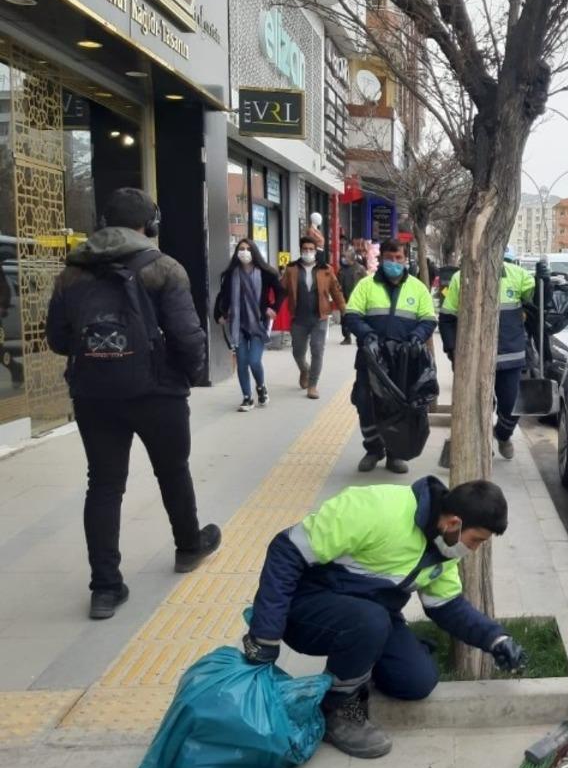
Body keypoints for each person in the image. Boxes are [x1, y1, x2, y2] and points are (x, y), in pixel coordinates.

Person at [242, 477, 527, 759]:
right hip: (306, 608)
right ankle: (338, 709)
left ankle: (361, 659)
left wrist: (495, 639)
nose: (474, 549)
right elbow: (286, 550)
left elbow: (447, 606)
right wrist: (265, 634)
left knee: (417, 681)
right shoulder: (376, 509)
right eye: (476, 540)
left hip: (370, 616)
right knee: (371, 620)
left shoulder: (445, 546)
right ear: (454, 523)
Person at [45, 188, 222, 620]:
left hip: (94, 396)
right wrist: (188, 375)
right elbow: (187, 335)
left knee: (104, 486)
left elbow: (58, 339)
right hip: (159, 393)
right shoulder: (164, 268)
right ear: (150, 225)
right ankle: (187, 546)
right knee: (173, 471)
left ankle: (105, 588)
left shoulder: (71, 273)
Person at [343, 236, 436, 473]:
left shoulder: (418, 288)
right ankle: (373, 448)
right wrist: (367, 335)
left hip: (404, 362)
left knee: (399, 408)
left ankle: (395, 454)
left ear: (406, 259)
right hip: (371, 360)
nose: (394, 262)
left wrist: (416, 336)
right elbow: (352, 315)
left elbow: (428, 319)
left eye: (398, 258)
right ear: (381, 259)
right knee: (365, 402)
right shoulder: (366, 285)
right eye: (389, 258)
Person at [438, 254, 535, 460]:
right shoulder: (461, 278)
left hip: (510, 356)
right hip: (473, 358)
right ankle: (481, 445)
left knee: (511, 404)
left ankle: (502, 434)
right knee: (479, 406)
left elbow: (538, 301)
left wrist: (546, 284)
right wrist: (453, 350)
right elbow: (447, 319)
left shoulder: (518, 275)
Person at [214, 239, 284, 411]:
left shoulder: (267, 272)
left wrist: (273, 308)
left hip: (259, 323)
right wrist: (219, 314)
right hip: (237, 324)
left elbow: (281, 292)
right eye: (241, 249)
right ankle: (247, 398)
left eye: (247, 249)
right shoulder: (231, 274)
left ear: (254, 252)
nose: (244, 252)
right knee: (242, 362)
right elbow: (222, 296)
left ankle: (261, 387)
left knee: (254, 361)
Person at [282, 236, 345, 400]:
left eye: (311, 249)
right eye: (305, 249)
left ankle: (313, 385)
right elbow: (281, 289)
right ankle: (304, 369)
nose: (308, 252)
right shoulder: (291, 269)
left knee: (317, 350)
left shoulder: (326, 270)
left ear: (316, 251)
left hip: (320, 317)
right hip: (299, 318)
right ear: (301, 250)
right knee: (298, 353)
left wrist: (346, 312)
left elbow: (336, 292)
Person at [337, 247, 369, 346]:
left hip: (357, 297)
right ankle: (347, 337)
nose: (344, 259)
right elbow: (338, 283)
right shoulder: (342, 270)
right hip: (345, 297)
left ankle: (362, 335)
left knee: (359, 318)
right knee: (344, 318)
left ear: (351, 258)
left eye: (345, 257)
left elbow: (367, 282)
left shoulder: (360, 269)